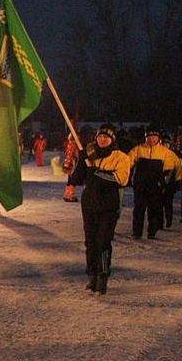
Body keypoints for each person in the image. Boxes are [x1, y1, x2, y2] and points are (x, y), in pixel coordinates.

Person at [68, 123, 132, 296]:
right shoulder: (90, 154)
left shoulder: (121, 158)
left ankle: (102, 277)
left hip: (108, 206)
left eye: (106, 137)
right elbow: (79, 178)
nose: (103, 139)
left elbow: (121, 180)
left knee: (103, 242)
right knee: (90, 242)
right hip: (89, 204)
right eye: (100, 136)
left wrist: (95, 171)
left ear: (113, 139)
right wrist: (82, 162)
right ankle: (91, 276)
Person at [127, 126, 178, 239]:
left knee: (154, 210)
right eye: (149, 137)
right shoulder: (138, 149)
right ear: (146, 138)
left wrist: (162, 183)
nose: (152, 139)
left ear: (158, 138)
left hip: (155, 186)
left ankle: (152, 232)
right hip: (140, 185)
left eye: (154, 137)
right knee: (139, 210)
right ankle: (137, 232)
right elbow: (128, 163)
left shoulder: (165, 152)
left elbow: (169, 168)